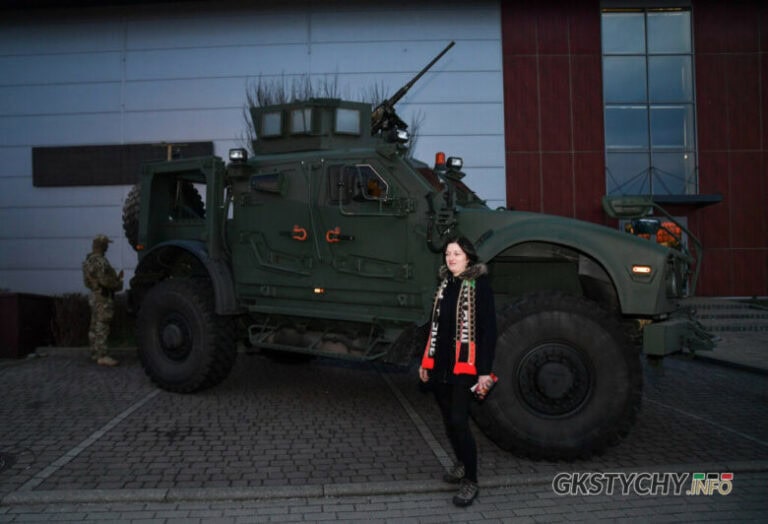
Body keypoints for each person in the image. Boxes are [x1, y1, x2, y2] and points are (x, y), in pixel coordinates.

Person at [419, 235, 497, 507]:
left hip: (466, 366)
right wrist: (425, 362)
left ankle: (471, 480)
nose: (450, 258)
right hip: (440, 365)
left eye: (456, 253)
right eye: (448, 254)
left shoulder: (479, 285)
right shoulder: (445, 285)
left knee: (458, 421)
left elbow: (489, 331)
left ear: (468, 257)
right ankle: (462, 464)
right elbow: (434, 326)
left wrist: (485, 371)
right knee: (449, 421)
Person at [82, 234, 124, 367]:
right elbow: (104, 280)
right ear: (102, 245)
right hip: (103, 296)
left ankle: (95, 352)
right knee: (102, 325)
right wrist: (118, 283)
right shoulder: (101, 261)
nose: (107, 247)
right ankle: (102, 355)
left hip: (94, 295)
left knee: (94, 325)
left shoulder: (88, 260)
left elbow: (88, 281)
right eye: (106, 244)